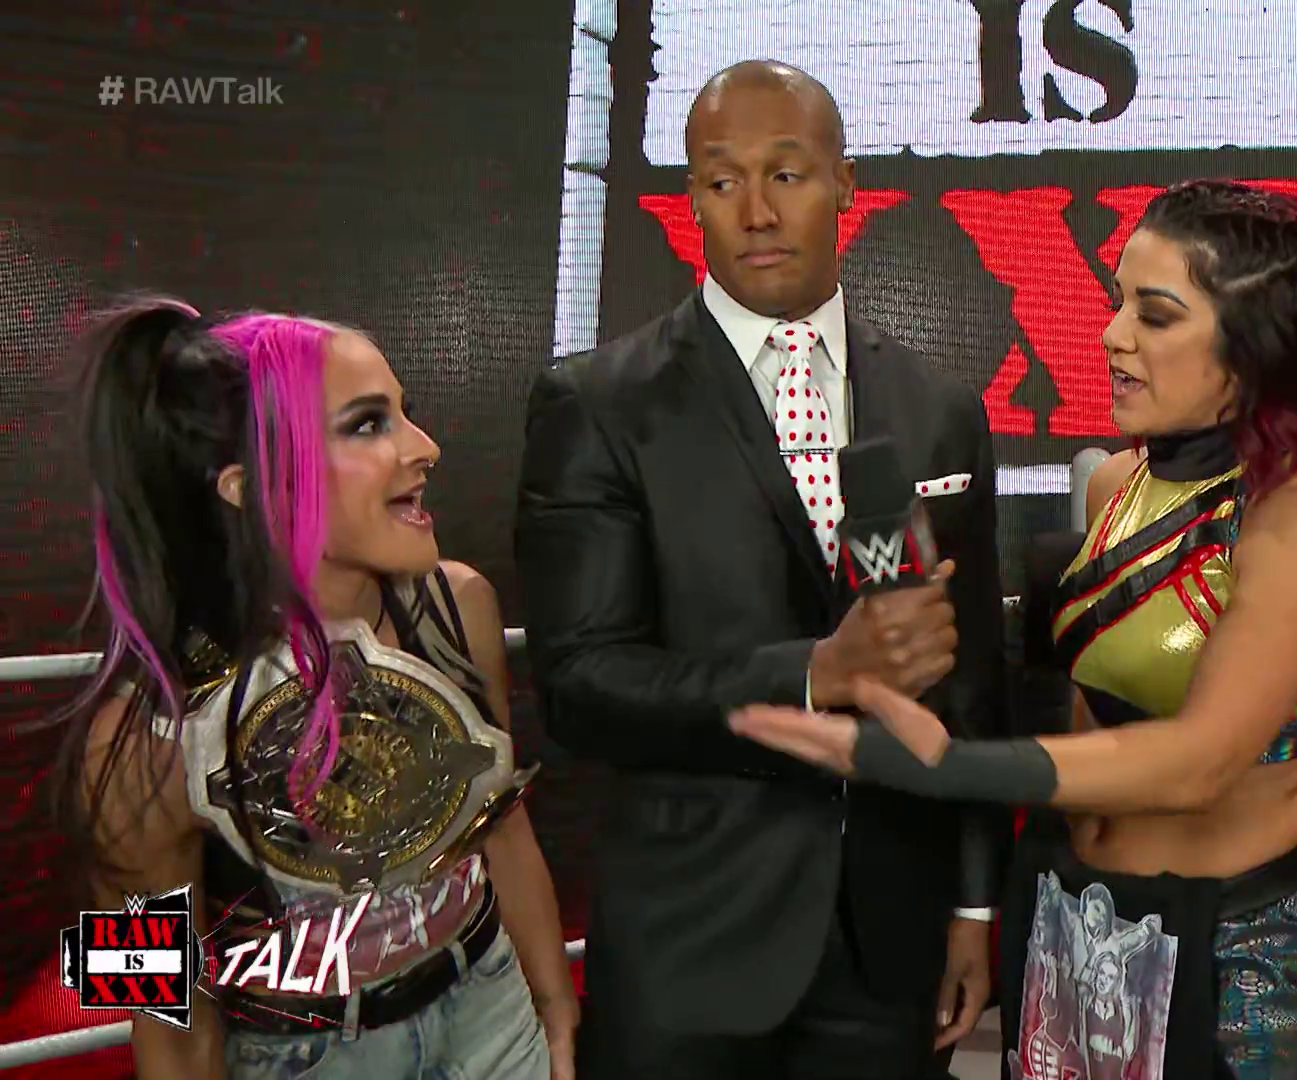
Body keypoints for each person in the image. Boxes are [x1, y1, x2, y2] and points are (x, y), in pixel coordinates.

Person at [730, 179, 1297, 1079]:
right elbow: (1086, 715)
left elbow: (1199, 762)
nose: (1111, 335)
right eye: (1119, 302)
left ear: (1253, 347)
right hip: (1075, 920)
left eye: (1154, 315)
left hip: (1236, 959)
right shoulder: (1114, 487)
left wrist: (952, 766)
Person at [513, 60, 1007, 1079]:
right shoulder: (598, 405)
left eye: (785, 174)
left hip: (889, 943)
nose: (755, 211)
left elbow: (972, 684)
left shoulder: (939, 408)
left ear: (845, 183)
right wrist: (815, 675)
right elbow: (583, 688)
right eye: (720, 179)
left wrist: (970, 903)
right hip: (692, 944)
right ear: (691, 198)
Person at [51, 299, 576, 1079]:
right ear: (249, 484)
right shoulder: (136, 740)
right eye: (368, 424)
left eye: (404, 413)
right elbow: (155, 1007)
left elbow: (500, 824)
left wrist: (556, 1007)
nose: (425, 448)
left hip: (492, 1014)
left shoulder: (459, 606)